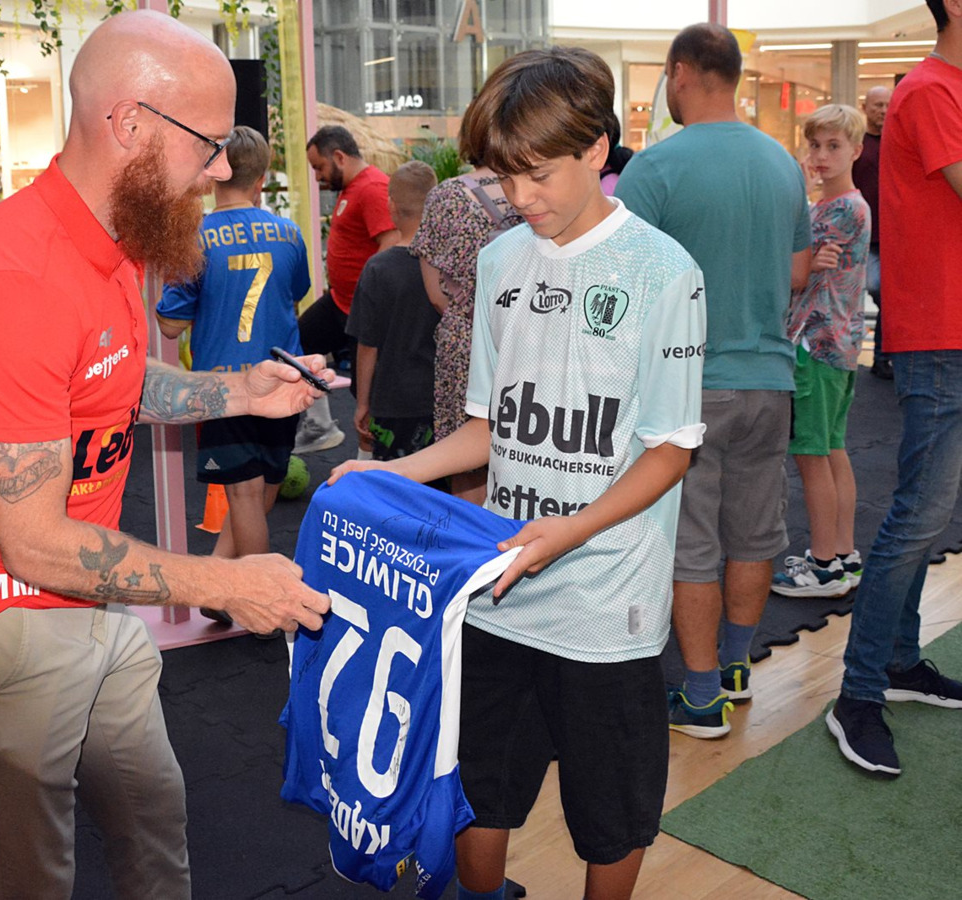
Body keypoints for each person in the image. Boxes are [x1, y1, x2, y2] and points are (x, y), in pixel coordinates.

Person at [0, 11, 333, 898]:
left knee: (154, 821)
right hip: (4, 619)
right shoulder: (15, 279)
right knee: (32, 875)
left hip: (95, 601)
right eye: (209, 145)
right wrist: (226, 584)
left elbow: (114, 379)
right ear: (130, 124)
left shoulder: (114, 242)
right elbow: (33, 543)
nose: (221, 170)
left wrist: (238, 391)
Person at [332, 46, 706, 900]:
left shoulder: (663, 272)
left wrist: (569, 532)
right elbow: (487, 430)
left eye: (539, 174)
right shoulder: (500, 262)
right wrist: (390, 475)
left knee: (612, 813)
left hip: (606, 607)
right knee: (481, 789)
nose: (520, 197)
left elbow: (671, 449)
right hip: (498, 591)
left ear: (597, 150)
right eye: (505, 177)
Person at [615, 22, 812, 738]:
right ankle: (735, 669)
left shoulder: (655, 169)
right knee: (755, 534)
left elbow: (622, 281)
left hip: (688, 386)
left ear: (680, 73)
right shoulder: (782, 164)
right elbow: (798, 273)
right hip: (770, 379)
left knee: (692, 540)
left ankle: (701, 698)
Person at [828, 0, 962, 777]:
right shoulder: (931, 89)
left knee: (929, 511)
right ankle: (858, 692)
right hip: (939, 333)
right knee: (919, 515)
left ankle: (901, 661)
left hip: (950, 330)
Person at [156, 125, 312, 624]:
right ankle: (220, 586)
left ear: (213, 173)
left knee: (244, 494)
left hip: (225, 389)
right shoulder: (289, 232)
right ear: (262, 178)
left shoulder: (196, 237)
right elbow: (294, 293)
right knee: (261, 489)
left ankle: (260, 604)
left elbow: (170, 321)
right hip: (284, 381)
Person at [772, 105, 870, 599]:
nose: (821, 155)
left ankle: (825, 563)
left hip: (816, 344)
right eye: (815, 145)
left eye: (833, 146)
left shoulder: (838, 210)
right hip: (839, 344)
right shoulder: (840, 206)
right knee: (831, 451)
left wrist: (802, 260)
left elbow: (794, 270)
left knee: (813, 457)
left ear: (856, 150)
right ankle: (842, 554)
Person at [410, 105, 521, 503]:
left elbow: (435, 293)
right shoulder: (534, 194)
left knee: (467, 465)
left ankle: (474, 538)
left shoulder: (447, 196)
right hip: (528, 340)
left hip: (467, 346)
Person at [295, 125, 400, 454]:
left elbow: (392, 242)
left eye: (319, 167)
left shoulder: (373, 188)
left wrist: (371, 298)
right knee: (298, 346)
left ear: (339, 157)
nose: (317, 177)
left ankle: (369, 460)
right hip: (339, 302)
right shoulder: (352, 187)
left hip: (363, 308)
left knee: (366, 392)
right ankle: (320, 426)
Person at [346, 160, 439, 461]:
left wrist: (363, 403)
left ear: (391, 206)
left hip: (391, 402)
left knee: (394, 481)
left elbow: (367, 346)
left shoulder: (378, 268)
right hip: (441, 397)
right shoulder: (447, 264)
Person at [853, 85, 894, 380]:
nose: (883, 110)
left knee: (888, 298)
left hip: (892, 235)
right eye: (877, 105)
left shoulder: (898, 141)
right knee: (876, 290)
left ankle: (882, 357)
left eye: (887, 105)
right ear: (865, 107)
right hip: (861, 235)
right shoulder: (857, 144)